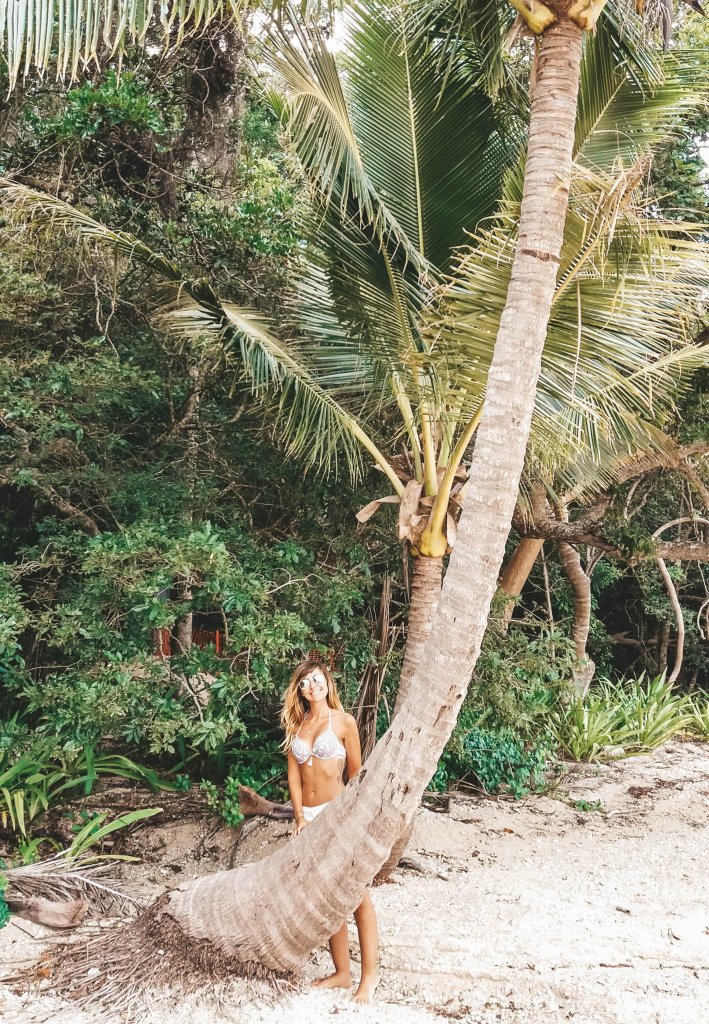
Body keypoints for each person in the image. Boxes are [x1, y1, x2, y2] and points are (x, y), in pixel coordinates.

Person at [281, 659, 379, 1003]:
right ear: (300, 691)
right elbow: (294, 776)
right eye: (305, 682)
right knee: (327, 896)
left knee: (356, 895)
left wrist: (355, 820)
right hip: (308, 816)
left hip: (337, 814)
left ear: (327, 682)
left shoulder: (344, 722)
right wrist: (298, 817)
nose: (312, 685)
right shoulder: (298, 724)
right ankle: (341, 973)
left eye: (317, 679)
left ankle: (369, 977)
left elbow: (357, 775)